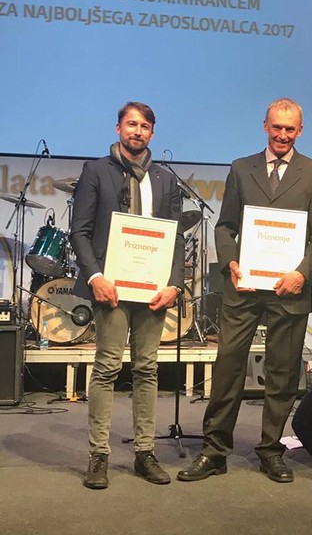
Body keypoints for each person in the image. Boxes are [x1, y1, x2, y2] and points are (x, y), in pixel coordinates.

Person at [177, 98, 312, 484]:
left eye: (290, 129)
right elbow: (225, 226)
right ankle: (214, 451)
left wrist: (302, 273)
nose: (282, 135)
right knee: (228, 365)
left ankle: (271, 450)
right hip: (243, 287)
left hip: (290, 288)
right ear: (265, 126)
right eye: (277, 127)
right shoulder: (242, 168)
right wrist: (230, 262)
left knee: (282, 372)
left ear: (300, 131)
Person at [70, 101, 185, 489]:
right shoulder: (96, 171)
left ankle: (144, 453)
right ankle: (99, 455)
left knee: (147, 369)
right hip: (112, 288)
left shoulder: (166, 179)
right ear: (118, 128)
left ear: (152, 132)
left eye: (144, 126)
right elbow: (80, 231)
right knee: (107, 368)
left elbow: (176, 237)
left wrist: (174, 284)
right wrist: (96, 277)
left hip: (153, 290)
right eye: (131, 124)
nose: (137, 131)